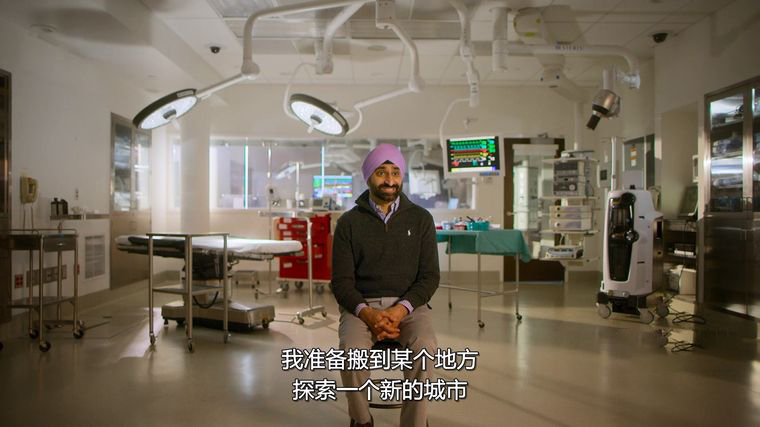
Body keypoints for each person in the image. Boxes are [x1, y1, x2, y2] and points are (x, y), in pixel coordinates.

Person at [331, 143, 440, 427]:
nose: (390, 180)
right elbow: (341, 283)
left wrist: (400, 310)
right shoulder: (348, 224)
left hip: (410, 306)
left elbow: (430, 276)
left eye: (395, 172)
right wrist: (368, 314)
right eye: (381, 172)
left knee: (425, 348)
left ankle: (415, 423)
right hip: (361, 307)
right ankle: (362, 420)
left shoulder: (421, 219)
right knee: (351, 353)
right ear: (368, 177)